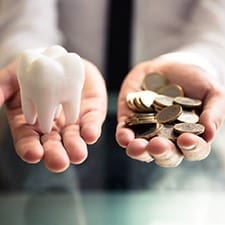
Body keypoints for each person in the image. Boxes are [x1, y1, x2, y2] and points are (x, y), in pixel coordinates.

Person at [0, 0, 225, 187]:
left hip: (167, 78)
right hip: (73, 86)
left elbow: (216, 28)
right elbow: (23, 21)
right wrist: (29, 60)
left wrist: (196, 64)